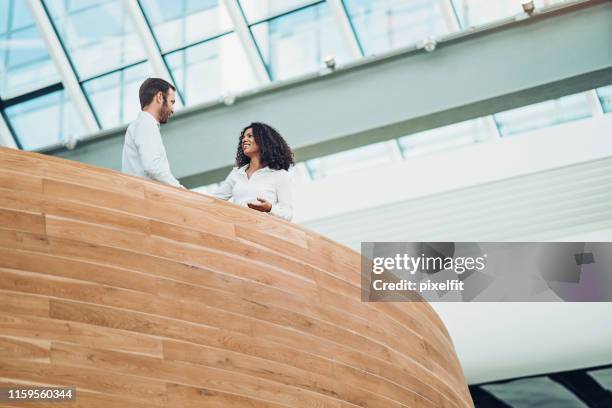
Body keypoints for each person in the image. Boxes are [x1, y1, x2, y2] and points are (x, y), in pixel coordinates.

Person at [211, 122, 294, 221]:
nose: (244, 140)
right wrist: (188, 194)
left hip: (264, 230)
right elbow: (213, 200)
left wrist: (269, 208)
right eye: (243, 137)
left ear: (264, 141)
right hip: (239, 228)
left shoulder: (279, 175)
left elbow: (288, 214)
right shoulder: (237, 173)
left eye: (250, 136)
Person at [122, 77, 183, 188]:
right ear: (159, 97)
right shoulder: (146, 123)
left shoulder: (139, 125)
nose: (173, 109)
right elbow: (153, 166)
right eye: (171, 102)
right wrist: (180, 189)